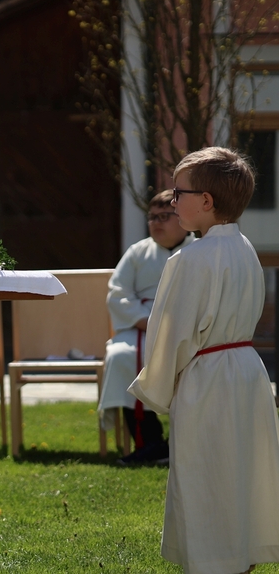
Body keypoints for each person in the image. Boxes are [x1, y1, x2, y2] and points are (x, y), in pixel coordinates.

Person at [129, 147, 279, 574]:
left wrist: (159, 384)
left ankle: (214, 562)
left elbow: (170, 334)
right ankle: (241, 559)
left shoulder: (189, 259)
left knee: (207, 476)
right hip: (247, 372)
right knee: (242, 473)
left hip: (207, 377)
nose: (173, 201)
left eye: (180, 193)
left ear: (207, 201)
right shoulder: (246, 249)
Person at [97, 189, 192, 466]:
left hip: (183, 330)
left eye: (164, 216)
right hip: (140, 326)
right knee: (121, 357)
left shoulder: (198, 250)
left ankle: (183, 443)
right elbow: (118, 294)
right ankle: (148, 443)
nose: (156, 223)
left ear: (182, 217)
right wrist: (146, 321)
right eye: (152, 217)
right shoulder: (137, 252)